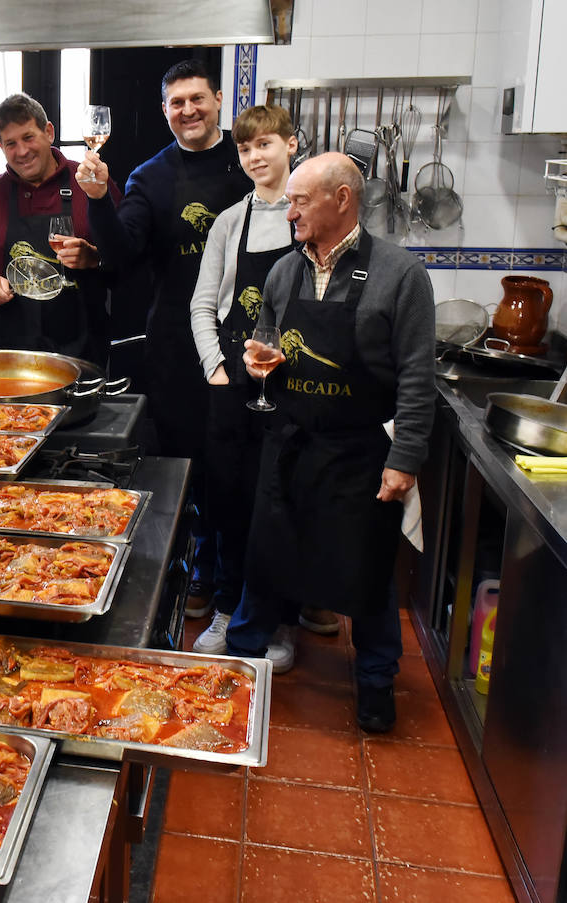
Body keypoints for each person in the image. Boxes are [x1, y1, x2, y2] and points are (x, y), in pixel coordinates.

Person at [226, 152, 435, 733]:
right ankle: (241, 660)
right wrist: (255, 366)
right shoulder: (284, 272)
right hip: (291, 442)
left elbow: (419, 377)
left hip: (361, 452)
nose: (287, 211)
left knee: (367, 573)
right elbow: (260, 348)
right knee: (267, 558)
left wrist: (406, 458)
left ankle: (374, 681)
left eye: (299, 200)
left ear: (341, 200)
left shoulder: (400, 275)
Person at [78, 59, 253, 622]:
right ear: (164, 111)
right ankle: (201, 569)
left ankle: (265, 584)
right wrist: (100, 199)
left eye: (197, 99)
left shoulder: (248, 161)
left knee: (250, 465)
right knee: (189, 464)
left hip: (252, 342)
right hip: (177, 345)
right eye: (176, 103)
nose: (188, 111)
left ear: (219, 99)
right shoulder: (150, 177)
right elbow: (123, 253)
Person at [186, 104, 297, 655]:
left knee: (279, 508)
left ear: (291, 146)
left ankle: (274, 620)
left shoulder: (308, 218)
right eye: (246, 148)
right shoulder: (231, 221)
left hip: (291, 389)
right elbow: (204, 303)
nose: (255, 156)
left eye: (265, 145)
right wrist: (215, 366)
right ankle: (227, 612)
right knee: (228, 502)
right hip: (232, 388)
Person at [0, 92, 121, 360]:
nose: (22, 151)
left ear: (48, 132)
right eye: (11, 143)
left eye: (28, 137)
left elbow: (125, 258)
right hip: (10, 353)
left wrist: (94, 258)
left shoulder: (90, 184)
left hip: (83, 352)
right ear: (1, 146)